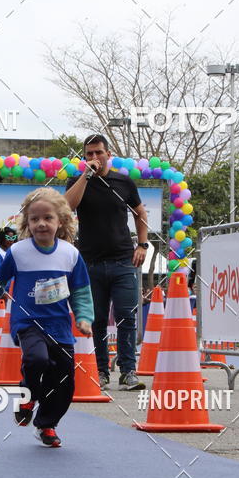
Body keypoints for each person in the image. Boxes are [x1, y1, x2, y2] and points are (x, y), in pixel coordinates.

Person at [0, 187, 93, 448]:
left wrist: (84, 317)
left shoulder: (70, 254)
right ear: (27, 223)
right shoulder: (18, 252)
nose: (41, 223)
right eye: (34, 219)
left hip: (59, 326)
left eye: (48, 218)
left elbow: (81, 291)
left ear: (60, 221)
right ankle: (28, 396)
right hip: (28, 322)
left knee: (64, 380)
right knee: (36, 358)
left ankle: (46, 424)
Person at [65, 134, 149, 390]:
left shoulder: (123, 182)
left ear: (108, 154)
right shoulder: (77, 181)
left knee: (126, 317)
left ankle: (128, 372)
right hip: (89, 263)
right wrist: (85, 176)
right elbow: (67, 206)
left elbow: (140, 212)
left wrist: (143, 244)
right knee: (97, 319)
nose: (94, 157)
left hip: (123, 260)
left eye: (98, 152)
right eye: (89, 154)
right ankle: (100, 371)